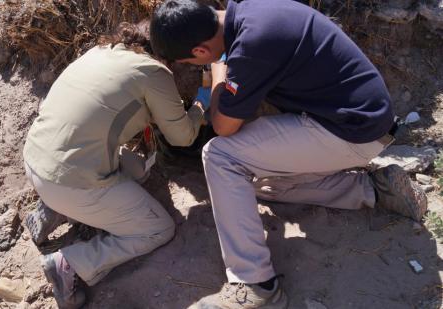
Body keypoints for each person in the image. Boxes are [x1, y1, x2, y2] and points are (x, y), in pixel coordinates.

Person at [150, 1, 428, 308]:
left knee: (220, 157)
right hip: (358, 119)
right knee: (247, 184)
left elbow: (223, 127)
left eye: (192, 61)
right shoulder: (249, 13)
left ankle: (256, 285)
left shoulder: (251, 45)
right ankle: (375, 190)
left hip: (351, 132)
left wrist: (217, 73)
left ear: (201, 52)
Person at [22, 21, 207, 308]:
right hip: (70, 181)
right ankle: (69, 263)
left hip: (37, 159)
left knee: (137, 170)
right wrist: (200, 106)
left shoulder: (102, 50)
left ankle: (56, 208)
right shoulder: (155, 72)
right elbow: (182, 136)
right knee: (158, 229)